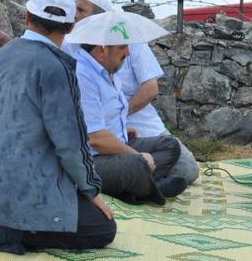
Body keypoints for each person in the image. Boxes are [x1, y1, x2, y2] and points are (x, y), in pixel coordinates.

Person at [0, 0, 116, 254]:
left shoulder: (2, 56)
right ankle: (14, 231)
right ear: (71, 28)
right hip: (26, 188)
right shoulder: (56, 67)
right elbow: (70, 143)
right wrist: (92, 191)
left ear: (27, 18)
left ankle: (3, 223)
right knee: (103, 228)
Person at [70, 0, 199, 184]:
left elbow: (151, 88)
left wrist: (118, 117)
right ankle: (146, 183)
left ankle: (139, 178)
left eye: (80, 10)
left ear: (101, 17)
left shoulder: (128, 40)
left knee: (186, 169)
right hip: (99, 132)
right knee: (139, 163)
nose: (74, 15)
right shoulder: (72, 45)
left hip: (137, 124)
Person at [71, 28, 188, 206]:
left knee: (170, 146)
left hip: (115, 145)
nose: (128, 52)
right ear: (102, 49)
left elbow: (99, 119)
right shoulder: (83, 76)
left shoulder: (106, 69)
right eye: (122, 47)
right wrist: (138, 156)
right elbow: (95, 139)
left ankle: (133, 188)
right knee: (136, 165)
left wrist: (121, 129)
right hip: (91, 159)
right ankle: (151, 189)